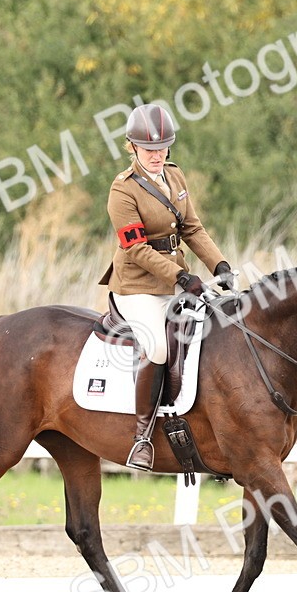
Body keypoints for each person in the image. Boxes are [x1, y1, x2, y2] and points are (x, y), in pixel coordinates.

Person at [98, 104, 236, 471]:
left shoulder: (175, 177)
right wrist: (180, 278)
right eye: (148, 149)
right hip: (138, 287)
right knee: (158, 347)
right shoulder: (122, 189)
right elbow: (137, 248)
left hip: (177, 283)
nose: (156, 155)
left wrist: (219, 264)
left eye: (162, 148)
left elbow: (192, 229)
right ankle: (142, 437)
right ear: (132, 147)